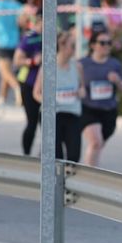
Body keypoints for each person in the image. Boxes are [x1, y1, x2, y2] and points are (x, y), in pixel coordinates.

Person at [79, 30, 122, 166]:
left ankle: (92, 170)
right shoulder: (83, 64)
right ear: (93, 45)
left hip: (109, 110)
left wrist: (117, 81)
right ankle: (89, 175)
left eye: (109, 43)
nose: (106, 46)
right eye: (102, 43)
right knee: (96, 142)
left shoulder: (114, 64)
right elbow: (73, 82)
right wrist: (80, 88)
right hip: (88, 108)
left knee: (99, 145)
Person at [36, 31, 84, 162]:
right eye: (72, 46)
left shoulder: (77, 66)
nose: (74, 49)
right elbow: (36, 93)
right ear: (62, 46)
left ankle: (66, 180)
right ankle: (54, 180)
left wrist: (82, 92)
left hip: (72, 112)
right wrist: (49, 102)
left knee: (74, 156)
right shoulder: (48, 67)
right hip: (53, 113)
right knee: (56, 156)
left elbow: (82, 87)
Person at [14, 2, 45, 155]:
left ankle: (44, 155)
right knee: (32, 122)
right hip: (29, 83)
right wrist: (32, 61)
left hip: (46, 85)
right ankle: (26, 154)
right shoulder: (30, 37)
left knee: (46, 123)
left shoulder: (53, 38)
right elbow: (17, 60)